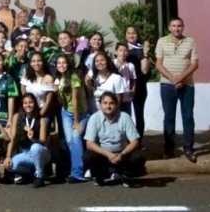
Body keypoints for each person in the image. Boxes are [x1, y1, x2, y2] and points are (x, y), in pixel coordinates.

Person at [155, 17, 199, 163]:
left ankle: (188, 148)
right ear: (169, 28)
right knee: (169, 117)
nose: (176, 28)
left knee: (188, 117)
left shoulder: (190, 42)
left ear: (183, 27)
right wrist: (172, 78)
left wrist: (180, 78)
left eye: (179, 26)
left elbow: (194, 64)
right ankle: (169, 148)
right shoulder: (162, 41)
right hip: (167, 85)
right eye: (173, 26)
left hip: (187, 85)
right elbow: (159, 64)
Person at [83, 91, 146, 187]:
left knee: (140, 155)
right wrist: (108, 155)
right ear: (100, 105)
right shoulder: (94, 118)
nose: (108, 106)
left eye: (111, 103)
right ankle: (100, 176)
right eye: (105, 103)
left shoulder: (125, 117)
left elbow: (135, 141)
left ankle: (126, 175)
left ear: (116, 105)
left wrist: (121, 154)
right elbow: (89, 143)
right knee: (88, 156)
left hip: (122, 154)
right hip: (104, 154)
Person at [55, 54, 89, 183]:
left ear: (68, 64)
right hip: (66, 112)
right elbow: (63, 102)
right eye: (59, 63)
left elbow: (75, 101)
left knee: (75, 137)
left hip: (81, 114)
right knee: (70, 141)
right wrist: (56, 92)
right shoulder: (60, 79)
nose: (61, 65)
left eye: (64, 63)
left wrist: (76, 121)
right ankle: (76, 169)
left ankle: (77, 172)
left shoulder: (74, 77)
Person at [4, 93, 50, 188]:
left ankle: (39, 176)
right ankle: (30, 173)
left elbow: (43, 141)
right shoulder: (17, 117)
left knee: (35, 147)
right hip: (26, 153)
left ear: (35, 104)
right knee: (10, 166)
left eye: (30, 102)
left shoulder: (41, 119)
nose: (28, 105)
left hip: (41, 153)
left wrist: (33, 139)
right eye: (25, 103)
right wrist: (8, 156)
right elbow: (12, 138)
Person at [125, 25, 152, 140]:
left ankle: (138, 141)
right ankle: (126, 140)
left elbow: (145, 70)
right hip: (125, 87)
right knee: (125, 115)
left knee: (139, 115)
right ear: (125, 35)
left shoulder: (143, 50)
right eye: (129, 33)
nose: (131, 35)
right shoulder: (122, 49)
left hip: (140, 87)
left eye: (134, 33)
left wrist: (145, 54)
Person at [20, 52, 56, 119]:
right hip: (28, 110)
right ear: (30, 63)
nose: (36, 64)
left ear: (43, 62)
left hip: (42, 111)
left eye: (39, 61)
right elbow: (24, 94)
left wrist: (40, 115)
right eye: (33, 61)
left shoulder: (49, 79)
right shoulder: (26, 75)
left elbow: (48, 101)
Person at [114, 43, 137, 115]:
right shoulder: (111, 63)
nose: (122, 53)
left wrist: (133, 89)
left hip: (126, 96)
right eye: (120, 50)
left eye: (125, 51)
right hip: (114, 95)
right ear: (116, 52)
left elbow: (133, 79)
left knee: (126, 116)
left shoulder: (130, 65)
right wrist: (117, 66)